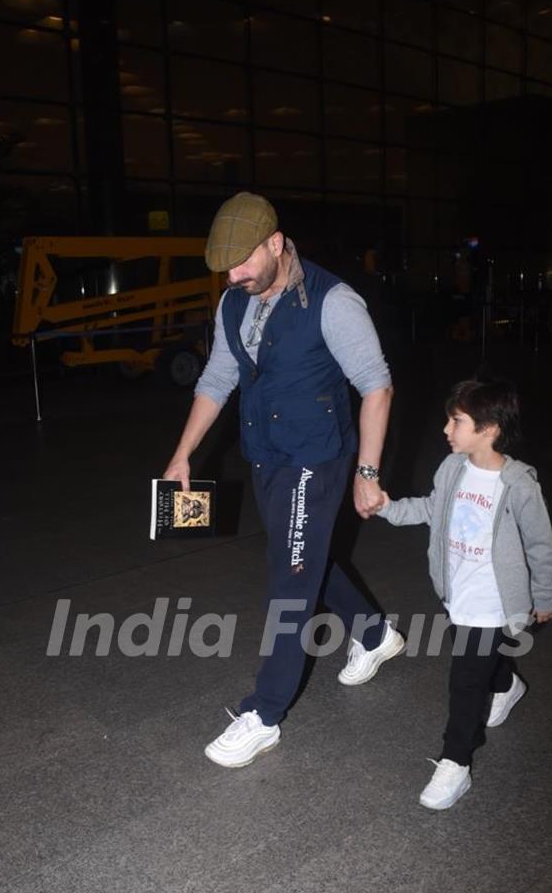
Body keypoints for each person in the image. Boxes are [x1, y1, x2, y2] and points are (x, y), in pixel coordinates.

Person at [163, 191, 405, 767]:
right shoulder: (233, 302)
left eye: (244, 261)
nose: (234, 275)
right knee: (302, 556)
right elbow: (217, 379)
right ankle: (374, 634)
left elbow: (377, 386)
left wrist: (366, 473)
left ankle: (264, 713)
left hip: (315, 458)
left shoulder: (333, 301)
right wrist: (182, 456)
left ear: (276, 243)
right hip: (265, 453)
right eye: (226, 267)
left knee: (290, 580)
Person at [375, 378, 552, 810]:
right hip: (456, 593)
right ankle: (507, 682)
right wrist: (387, 508)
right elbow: (429, 508)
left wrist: (545, 595)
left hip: (494, 600)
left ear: (490, 428)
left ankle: (455, 761)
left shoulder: (518, 486)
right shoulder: (452, 468)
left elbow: (540, 544)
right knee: (478, 663)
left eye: (456, 421)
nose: (446, 429)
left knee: (464, 681)